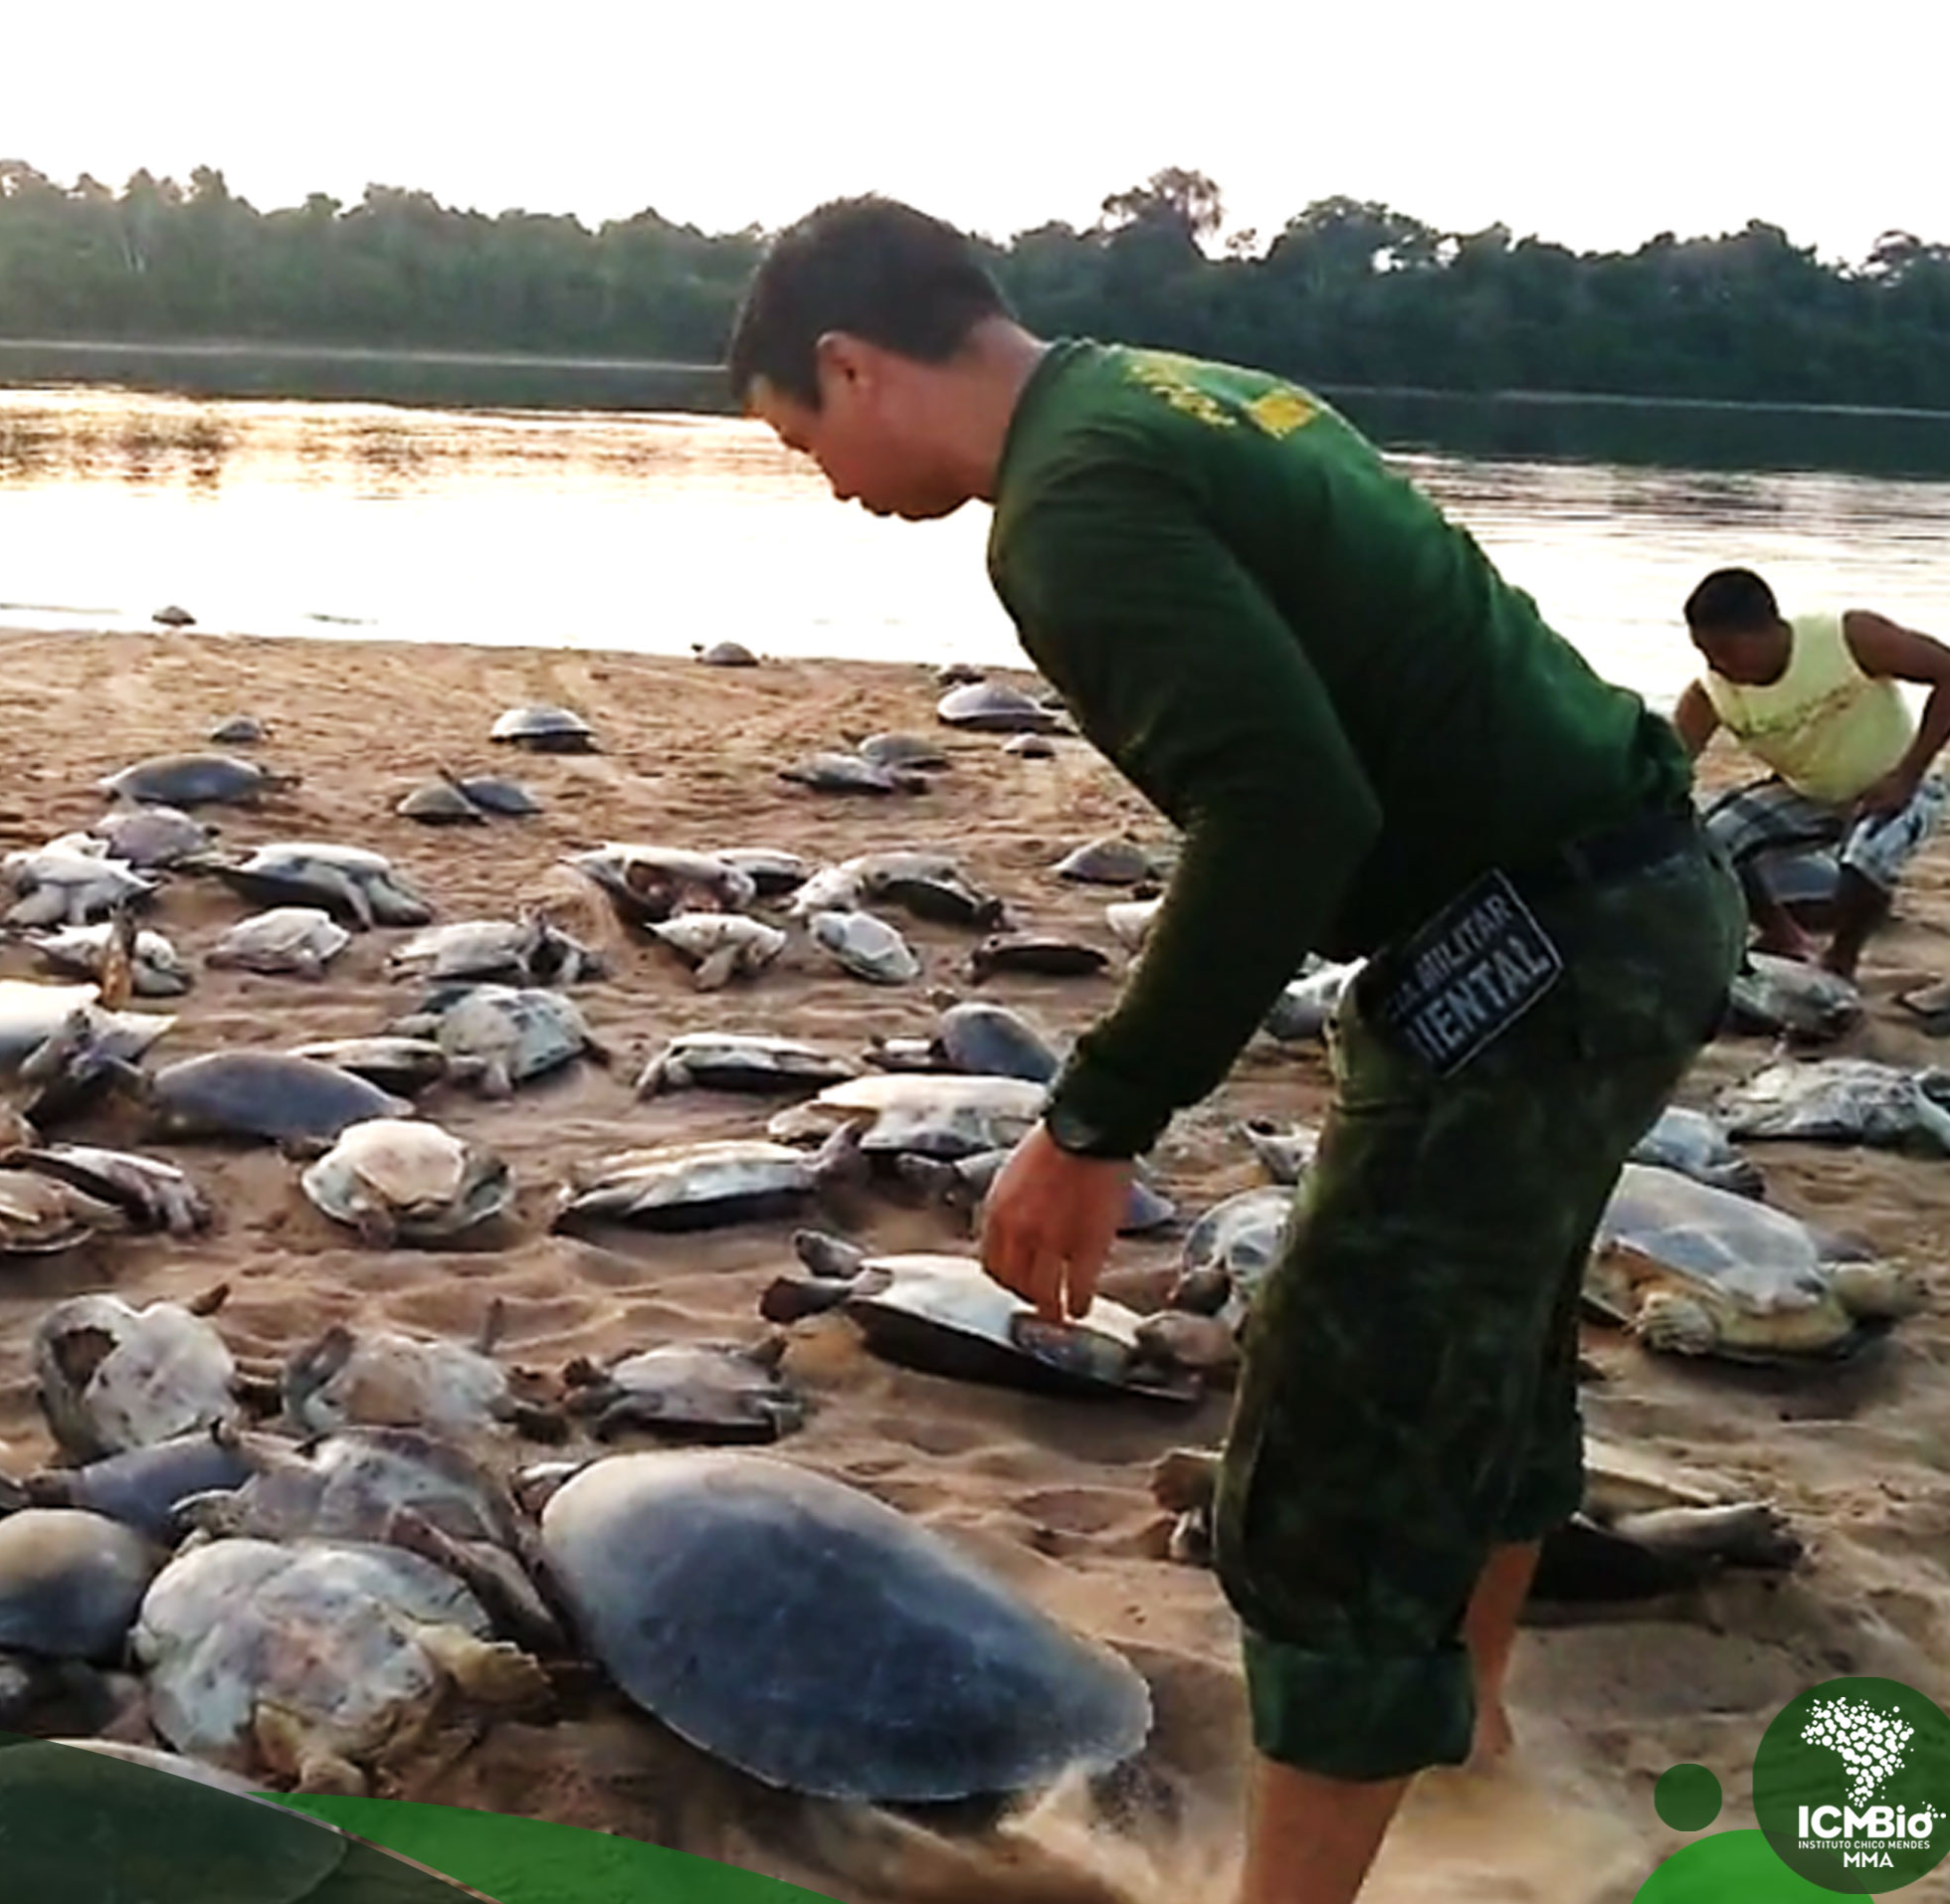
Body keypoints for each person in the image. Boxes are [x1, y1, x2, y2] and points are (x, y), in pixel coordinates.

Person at [723, 196, 1745, 1904]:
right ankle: (1464, 1751)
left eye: (800, 435)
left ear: (853, 364)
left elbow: (1282, 808)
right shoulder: (1187, 388)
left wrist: (1096, 1113)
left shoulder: (1067, 505)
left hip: (1535, 943)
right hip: (1635, 890)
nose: (821, 477)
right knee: (1482, 1347)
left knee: (1335, 1436)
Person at [1669, 566, 1950, 981]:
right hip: (1808, 793)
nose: (1718, 664)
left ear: (1769, 628)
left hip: (1898, 781)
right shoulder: (1710, 692)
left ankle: (1842, 959)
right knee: (1714, 839)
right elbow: (1669, 767)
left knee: (1864, 859)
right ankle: (1784, 934)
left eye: (1727, 649)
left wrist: (1908, 774)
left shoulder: (1848, 638)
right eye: (1706, 652)